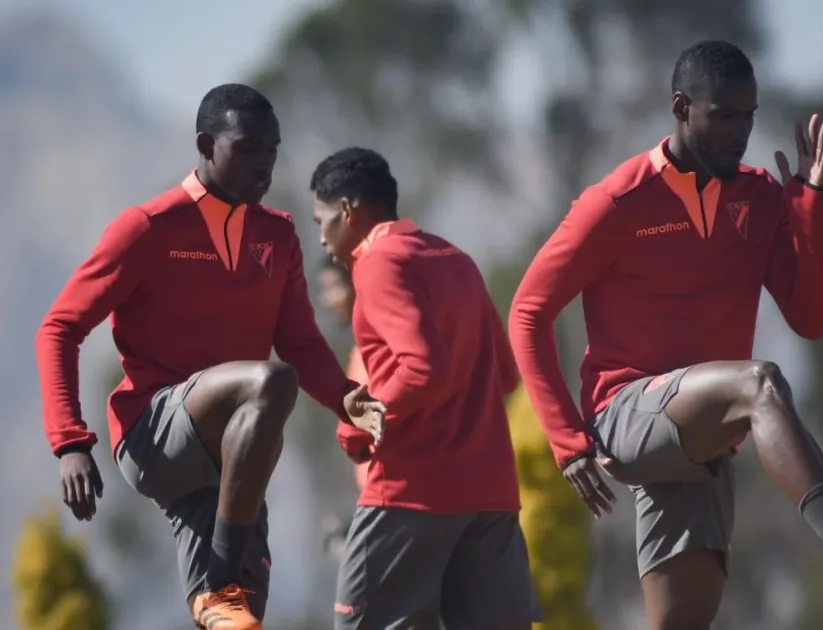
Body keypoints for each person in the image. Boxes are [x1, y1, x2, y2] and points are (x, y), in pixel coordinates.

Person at [508, 40, 823, 629]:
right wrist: (566, 442)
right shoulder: (615, 203)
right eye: (724, 115)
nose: (739, 132)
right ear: (682, 107)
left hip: (702, 440)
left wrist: (809, 204)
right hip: (626, 415)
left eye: (749, 116)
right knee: (759, 383)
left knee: (683, 623)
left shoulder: (760, 196)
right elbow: (528, 311)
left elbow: (812, 319)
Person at [35, 84, 386, 630]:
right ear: (205, 144)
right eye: (249, 149)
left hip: (228, 464)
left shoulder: (278, 235)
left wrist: (349, 402)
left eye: (273, 150)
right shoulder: (148, 229)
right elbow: (59, 328)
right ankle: (220, 578)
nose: (265, 164)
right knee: (270, 383)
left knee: (237, 621)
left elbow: (301, 343)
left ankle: (218, 592)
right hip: (154, 435)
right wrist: (69, 443)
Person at [310, 147, 540, 630]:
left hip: (410, 492)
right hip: (490, 495)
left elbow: (423, 368)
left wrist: (357, 424)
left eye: (321, 220)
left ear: (347, 211)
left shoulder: (376, 263)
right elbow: (505, 375)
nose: (323, 238)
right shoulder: (454, 258)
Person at [316, 257, 371, 491]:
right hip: (377, 489)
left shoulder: (377, 345)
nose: (327, 301)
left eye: (334, 288)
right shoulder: (359, 349)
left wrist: (350, 433)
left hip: (395, 491)